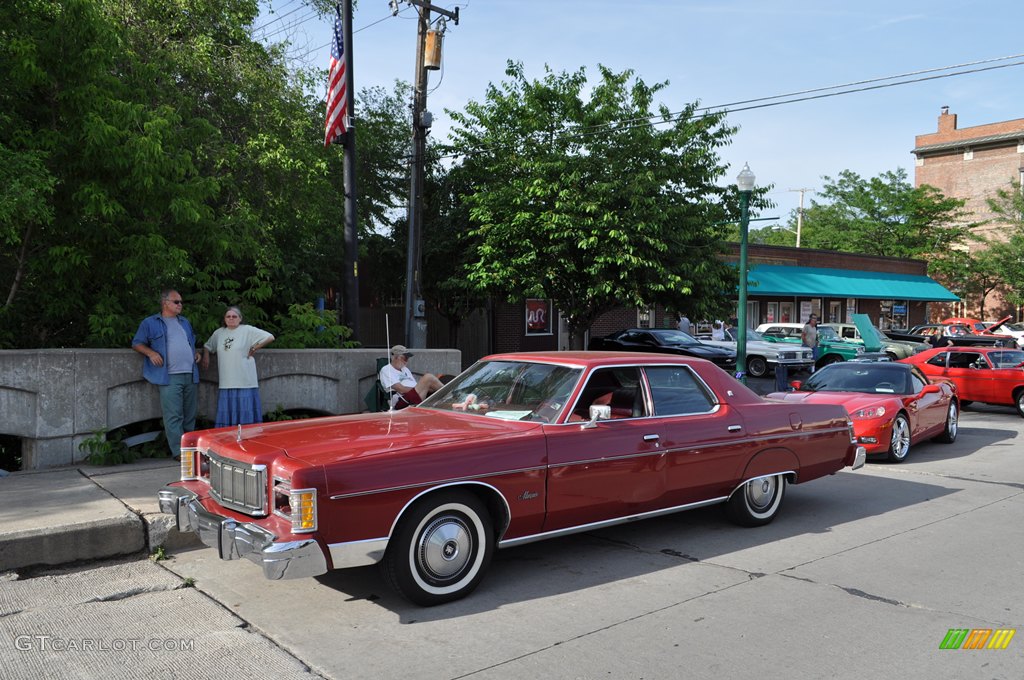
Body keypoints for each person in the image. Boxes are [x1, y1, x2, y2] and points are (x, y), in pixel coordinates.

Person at [132, 289, 200, 459]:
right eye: (176, 302)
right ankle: (179, 452)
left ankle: (191, 450)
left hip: (191, 374)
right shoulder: (150, 322)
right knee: (174, 415)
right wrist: (151, 353)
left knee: (190, 415)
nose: (180, 305)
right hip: (169, 376)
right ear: (165, 303)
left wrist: (195, 353)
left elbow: (189, 343)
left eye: (181, 302)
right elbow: (137, 343)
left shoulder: (185, 322)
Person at [201, 306, 275, 428]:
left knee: (246, 415)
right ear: (224, 319)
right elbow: (208, 346)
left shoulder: (247, 330)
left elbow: (270, 337)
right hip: (226, 381)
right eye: (228, 316)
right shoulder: (219, 333)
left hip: (245, 380)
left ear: (240, 318)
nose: (231, 319)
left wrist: (254, 347)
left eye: (234, 316)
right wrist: (206, 355)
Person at [379, 345, 443, 409]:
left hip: (414, 396)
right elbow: (401, 389)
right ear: (396, 357)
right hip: (402, 400)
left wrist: (425, 387)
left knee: (437, 382)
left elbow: (415, 385)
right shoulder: (386, 370)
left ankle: (449, 396)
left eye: (407, 359)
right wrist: (422, 386)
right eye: (405, 358)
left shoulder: (405, 369)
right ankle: (451, 395)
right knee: (428, 377)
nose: (406, 361)